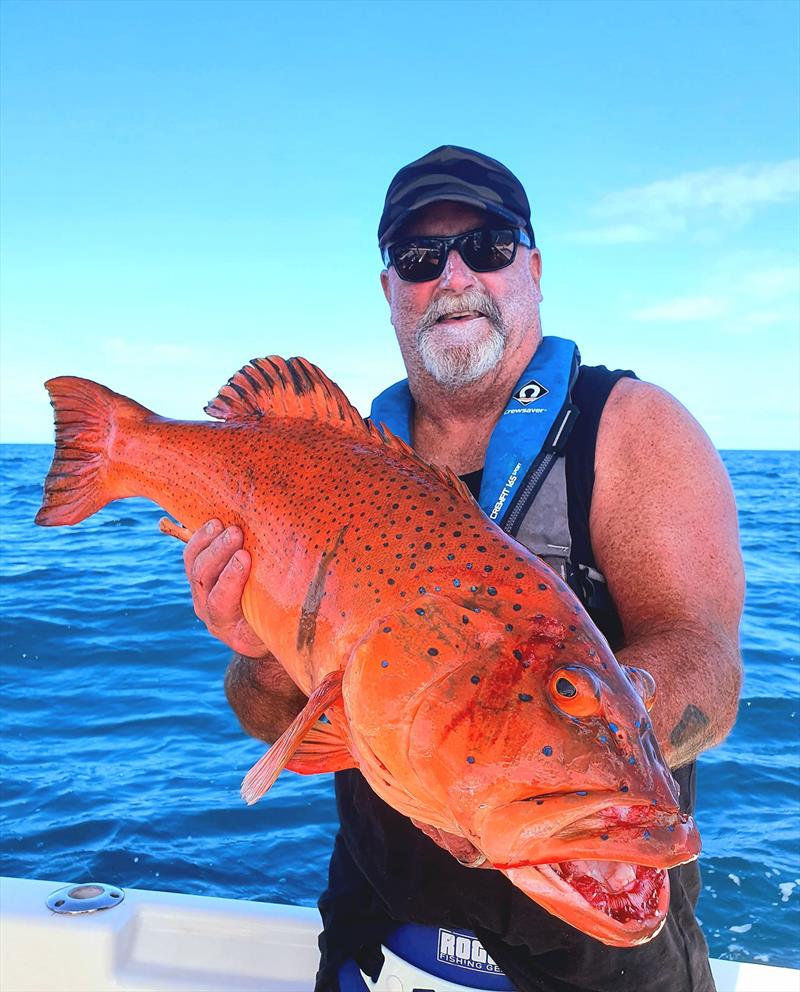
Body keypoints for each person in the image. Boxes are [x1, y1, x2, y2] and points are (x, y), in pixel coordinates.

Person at [183, 146, 744, 992]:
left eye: (487, 245)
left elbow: (708, 663)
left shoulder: (634, 433)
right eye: (418, 257)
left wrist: (570, 725)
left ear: (534, 269)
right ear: (389, 291)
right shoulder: (340, 470)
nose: (453, 275)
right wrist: (258, 646)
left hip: (592, 946)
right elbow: (268, 720)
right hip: (378, 922)